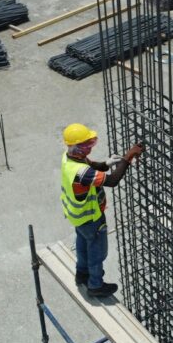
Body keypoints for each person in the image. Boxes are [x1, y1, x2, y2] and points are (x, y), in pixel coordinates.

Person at [60, 122, 144, 298]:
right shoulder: (81, 171)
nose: (90, 148)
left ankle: (82, 274)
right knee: (97, 250)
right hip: (91, 217)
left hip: (77, 218)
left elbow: (90, 166)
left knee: (83, 244)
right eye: (87, 145)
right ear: (77, 147)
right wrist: (127, 158)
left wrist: (106, 163)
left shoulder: (69, 158)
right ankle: (95, 285)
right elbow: (112, 181)